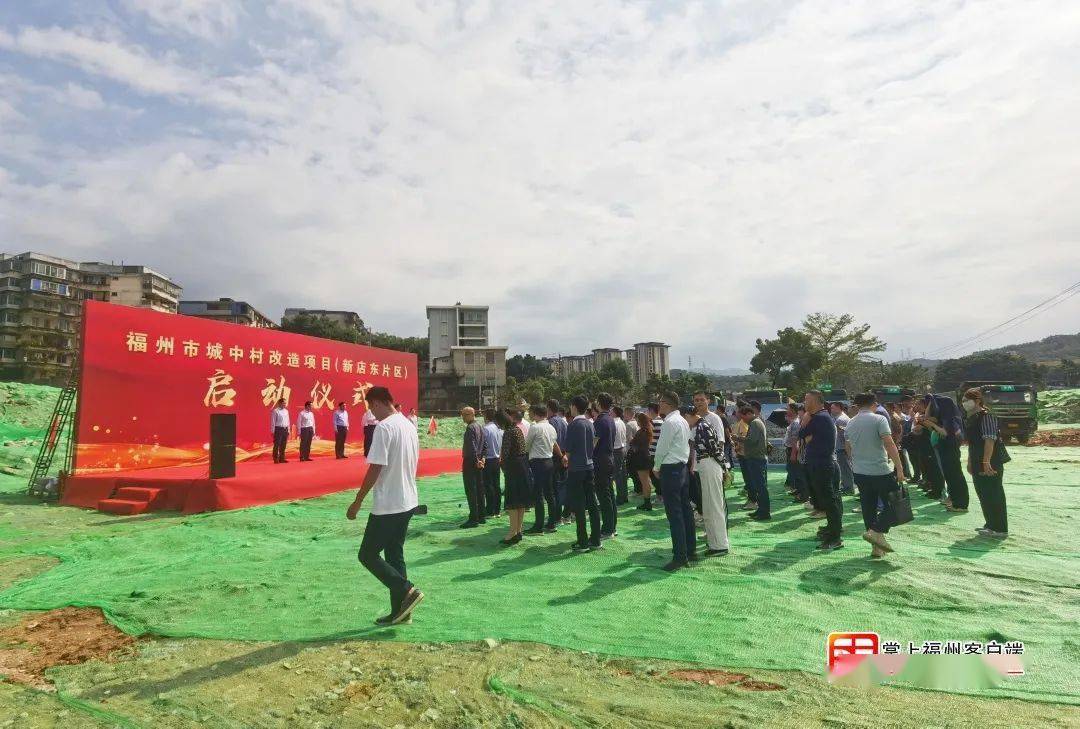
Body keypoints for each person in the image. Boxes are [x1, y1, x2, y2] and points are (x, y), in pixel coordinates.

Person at [346, 386, 423, 626]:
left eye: (371, 408)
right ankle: (401, 612)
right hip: (408, 500)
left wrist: (357, 501)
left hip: (389, 504)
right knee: (394, 554)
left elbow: (375, 467)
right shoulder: (408, 425)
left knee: (367, 554)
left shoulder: (385, 427)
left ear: (379, 403)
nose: (372, 414)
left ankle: (406, 590)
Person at [845, 393, 906, 558]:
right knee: (896, 504)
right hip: (879, 470)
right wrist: (899, 468)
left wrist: (856, 463)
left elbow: (848, 447)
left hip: (859, 472)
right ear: (874, 404)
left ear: (857, 405)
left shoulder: (850, 423)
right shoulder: (879, 419)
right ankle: (877, 531)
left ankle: (876, 547)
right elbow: (889, 443)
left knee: (868, 507)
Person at [653, 392, 694, 571]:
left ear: (666, 404)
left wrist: (656, 466)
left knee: (675, 514)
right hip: (682, 467)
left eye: (660, 402)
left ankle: (680, 556)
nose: (659, 405)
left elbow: (662, 448)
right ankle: (690, 550)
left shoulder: (669, 422)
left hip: (671, 470)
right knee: (685, 511)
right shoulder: (683, 421)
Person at [962, 388, 1010, 537]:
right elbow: (972, 443)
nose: (964, 403)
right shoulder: (970, 418)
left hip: (990, 461)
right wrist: (970, 461)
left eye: (967, 400)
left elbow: (989, 440)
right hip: (977, 460)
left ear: (977, 401)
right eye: (963, 401)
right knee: (983, 492)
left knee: (993, 493)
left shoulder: (987, 416)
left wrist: (986, 461)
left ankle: (1000, 528)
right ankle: (990, 524)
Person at [683, 406, 729, 556]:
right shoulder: (701, 426)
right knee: (710, 506)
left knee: (713, 506)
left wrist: (724, 466)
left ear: (688, 416)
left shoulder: (702, 427)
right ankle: (715, 542)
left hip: (709, 464)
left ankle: (719, 545)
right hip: (707, 465)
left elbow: (715, 449)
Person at [800, 390, 842, 550]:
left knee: (830, 501)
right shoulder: (819, 418)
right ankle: (832, 529)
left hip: (823, 465)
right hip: (821, 464)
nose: (804, 403)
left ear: (816, 401)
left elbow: (803, 433)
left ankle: (835, 537)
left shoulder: (820, 418)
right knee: (830, 500)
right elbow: (804, 436)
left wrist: (806, 421)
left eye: (806, 399)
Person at [564, 395, 601, 552]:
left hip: (576, 469)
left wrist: (566, 460)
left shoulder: (573, 425)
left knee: (579, 505)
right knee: (592, 503)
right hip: (589, 466)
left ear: (573, 407)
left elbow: (569, 450)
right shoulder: (590, 423)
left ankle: (582, 541)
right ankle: (596, 539)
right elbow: (594, 443)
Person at [923, 394, 970, 512]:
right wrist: (930, 401)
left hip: (951, 449)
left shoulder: (951, 419)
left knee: (955, 476)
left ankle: (961, 503)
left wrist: (933, 425)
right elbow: (926, 417)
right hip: (945, 449)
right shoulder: (944, 418)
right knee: (949, 476)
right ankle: (955, 501)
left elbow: (945, 433)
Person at [525, 404, 562, 534]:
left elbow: (527, 445)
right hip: (549, 461)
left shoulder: (534, 427)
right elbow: (554, 444)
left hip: (538, 462)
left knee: (538, 494)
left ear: (535, 414)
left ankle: (539, 525)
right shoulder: (551, 427)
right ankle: (551, 523)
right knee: (549, 493)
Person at [497, 410, 532, 546]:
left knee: (512, 501)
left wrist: (503, 468)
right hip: (523, 465)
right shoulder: (517, 429)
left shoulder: (508, 432)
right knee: (521, 501)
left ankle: (512, 533)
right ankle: (518, 531)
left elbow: (505, 455)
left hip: (513, 467)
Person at [692, 392, 725, 515]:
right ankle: (702, 516)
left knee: (714, 497)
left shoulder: (714, 418)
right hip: (696, 464)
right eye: (696, 400)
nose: (699, 402)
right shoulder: (692, 418)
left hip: (711, 463)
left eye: (702, 400)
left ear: (708, 401)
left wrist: (719, 463)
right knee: (700, 494)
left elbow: (720, 442)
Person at [737, 406, 770, 520]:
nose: (743, 420)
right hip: (757, 458)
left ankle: (764, 512)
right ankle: (761, 510)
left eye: (743, 417)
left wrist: (737, 438)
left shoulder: (755, 423)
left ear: (749, 414)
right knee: (759, 486)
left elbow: (752, 440)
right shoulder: (756, 422)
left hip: (756, 459)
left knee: (760, 487)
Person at [593, 392, 618, 538]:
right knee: (609, 494)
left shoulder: (600, 421)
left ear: (599, 403)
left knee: (604, 496)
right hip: (609, 459)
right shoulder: (610, 419)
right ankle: (612, 526)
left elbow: (593, 444)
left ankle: (607, 528)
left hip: (601, 461)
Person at [459, 406, 487, 528]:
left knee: (471, 490)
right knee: (480, 489)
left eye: (464, 415)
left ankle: (473, 518)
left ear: (471, 414)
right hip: (480, 461)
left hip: (471, 462)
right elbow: (485, 444)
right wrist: (483, 459)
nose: (462, 417)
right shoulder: (480, 426)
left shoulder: (470, 428)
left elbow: (472, 446)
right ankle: (481, 516)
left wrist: (476, 460)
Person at [546, 400, 569, 523]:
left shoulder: (550, 423)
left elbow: (553, 443)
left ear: (549, 409)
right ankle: (565, 514)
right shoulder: (563, 421)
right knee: (563, 486)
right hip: (565, 457)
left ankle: (556, 516)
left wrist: (560, 455)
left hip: (555, 458)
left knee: (554, 489)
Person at [627, 412, 655, 509]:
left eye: (638, 420)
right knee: (646, 481)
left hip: (641, 459)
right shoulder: (647, 430)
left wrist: (631, 442)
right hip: (646, 457)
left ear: (640, 421)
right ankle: (647, 501)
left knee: (645, 482)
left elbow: (636, 446)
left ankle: (647, 503)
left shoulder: (641, 432)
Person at [481, 409, 503, 518]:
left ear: (486, 417)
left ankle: (489, 510)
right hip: (497, 459)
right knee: (496, 485)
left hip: (488, 459)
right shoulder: (498, 429)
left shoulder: (485, 429)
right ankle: (497, 510)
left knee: (488, 485)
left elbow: (482, 445)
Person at [830, 402, 854, 495]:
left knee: (845, 468)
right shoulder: (839, 418)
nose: (831, 410)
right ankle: (846, 486)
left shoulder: (841, 419)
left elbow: (846, 436)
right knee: (844, 468)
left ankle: (849, 488)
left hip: (842, 447)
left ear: (839, 408)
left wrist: (847, 449)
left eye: (833, 408)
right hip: (841, 447)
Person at [612, 405, 629, 505]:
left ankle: (619, 498)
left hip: (617, 450)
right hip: (622, 449)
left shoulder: (615, 423)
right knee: (622, 475)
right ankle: (624, 496)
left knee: (618, 475)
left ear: (615, 412)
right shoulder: (622, 422)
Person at [647, 402, 664, 501]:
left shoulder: (652, 423)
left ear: (651, 411)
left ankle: (660, 495)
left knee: (654, 475)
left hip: (653, 452)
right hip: (660, 452)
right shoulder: (663, 421)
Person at [623, 407, 641, 495]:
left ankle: (637, 490)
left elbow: (630, 439)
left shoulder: (629, 425)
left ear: (627, 413)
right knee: (637, 471)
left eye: (624, 413)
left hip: (631, 451)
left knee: (633, 471)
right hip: (638, 450)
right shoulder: (636, 423)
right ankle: (639, 489)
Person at [271, 398, 290, 463]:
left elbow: (288, 421)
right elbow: (273, 422)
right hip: (278, 429)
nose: (285, 404)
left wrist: (288, 430)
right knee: (277, 444)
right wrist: (273, 431)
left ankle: (282, 458)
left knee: (283, 445)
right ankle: (275, 458)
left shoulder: (286, 411)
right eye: (284, 403)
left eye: (285, 403)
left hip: (285, 429)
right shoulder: (275, 411)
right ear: (279, 403)